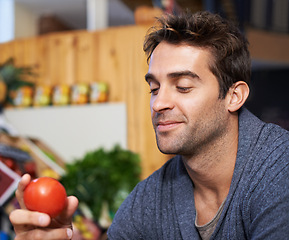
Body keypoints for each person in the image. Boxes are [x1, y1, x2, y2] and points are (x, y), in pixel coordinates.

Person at [9, 11, 289, 240]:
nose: (158, 104)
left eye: (183, 87)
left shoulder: (278, 169)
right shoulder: (151, 199)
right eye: (154, 88)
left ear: (233, 96)